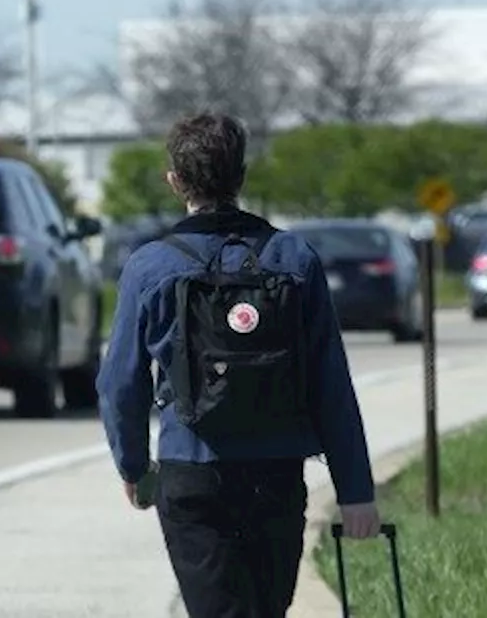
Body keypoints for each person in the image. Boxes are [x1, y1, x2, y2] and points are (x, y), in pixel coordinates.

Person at [96, 111, 380, 617]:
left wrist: (136, 468)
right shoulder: (294, 258)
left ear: (175, 180)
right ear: (242, 177)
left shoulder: (150, 265)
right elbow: (330, 384)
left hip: (192, 472)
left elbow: (120, 383)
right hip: (276, 472)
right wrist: (355, 490)